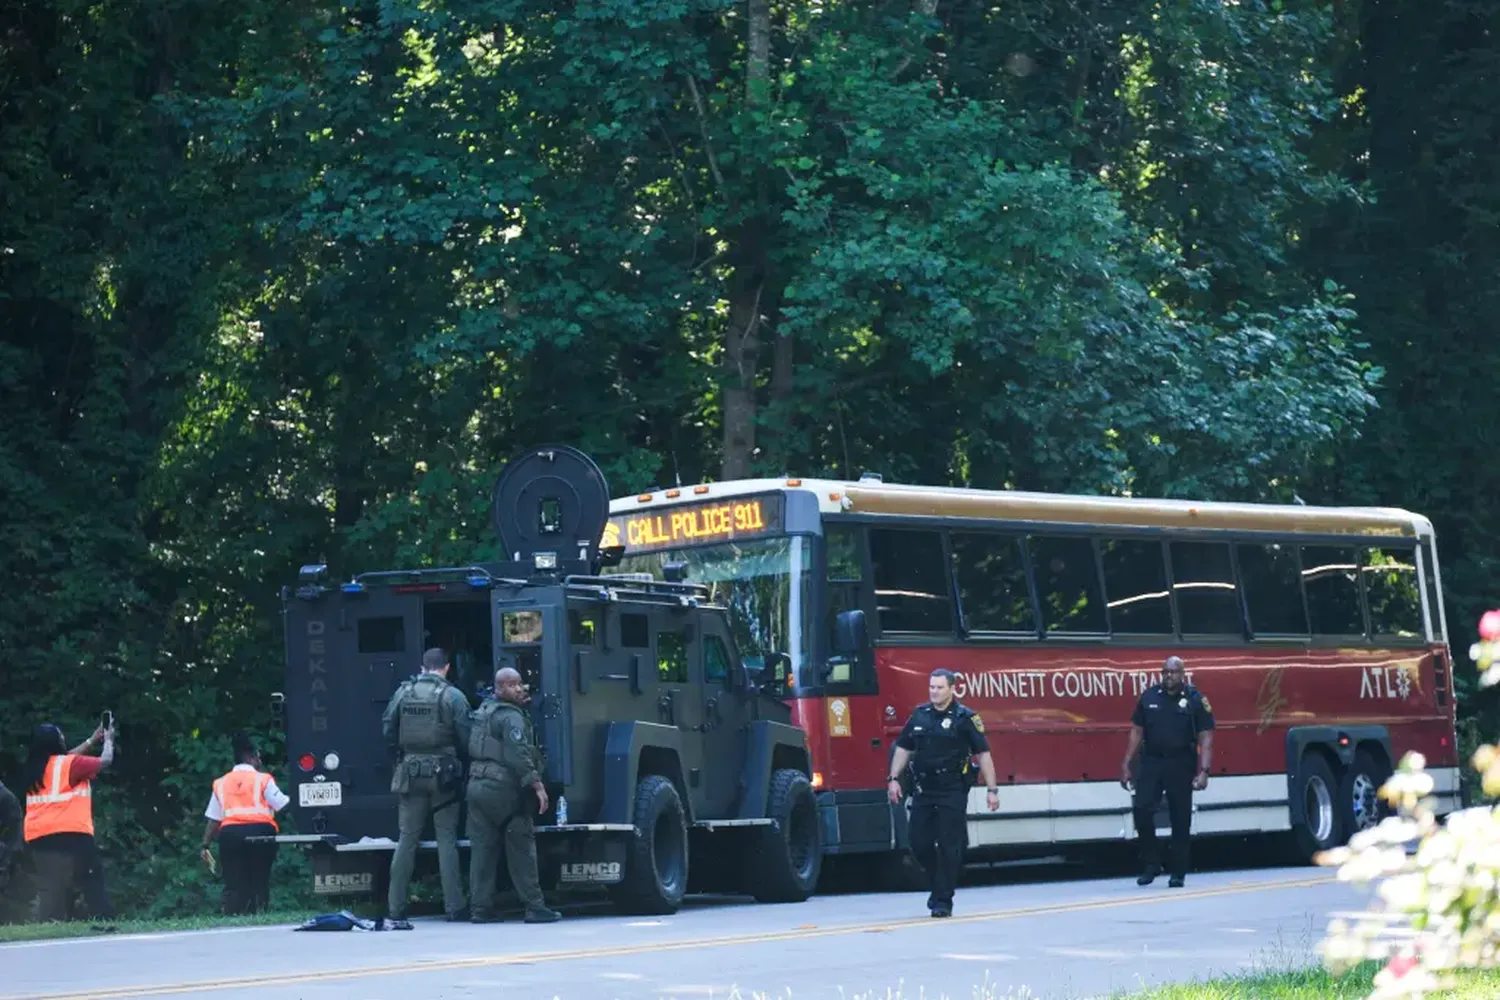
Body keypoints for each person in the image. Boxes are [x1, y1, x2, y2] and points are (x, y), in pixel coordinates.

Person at [887, 668, 1000, 917]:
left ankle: (943, 901)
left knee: (950, 845)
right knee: (918, 842)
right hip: (924, 789)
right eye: (931, 687)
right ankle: (940, 882)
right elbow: (904, 748)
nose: (934, 692)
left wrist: (992, 790)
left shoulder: (965, 718)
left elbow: (983, 754)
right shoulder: (919, 715)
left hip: (952, 790)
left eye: (939, 687)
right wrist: (893, 778)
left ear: (952, 689)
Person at [382, 647, 473, 927]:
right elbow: (467, 736)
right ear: (446, 668)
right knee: (446, 840)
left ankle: (396, 908)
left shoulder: (403, 692)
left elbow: (387, 729)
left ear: (423, 667)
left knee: (407, 839)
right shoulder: (453, 696)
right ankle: (455, 907)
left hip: (410, 772)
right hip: (443, 775)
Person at [465, 665, 561, 924]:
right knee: (521, 846)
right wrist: (537, 785)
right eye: (514, 685)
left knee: (482, 851)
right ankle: (534, 906)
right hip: (503, 790)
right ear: (501, 687)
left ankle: (480, 908)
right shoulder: (511, 717)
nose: (520, 689)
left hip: (476, 786)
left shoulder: (484, 711)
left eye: (521, 684)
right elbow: (518, 754)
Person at [1119, 655, 1216, 888]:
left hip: (1180, 762)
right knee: (1141, 809)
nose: (1168, 676)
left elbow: (1207, 736)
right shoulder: (1149, 697)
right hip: (1152, 762)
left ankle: (1178, 872)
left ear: (1183, 674)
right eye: (1165, 672)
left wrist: (1203, 771)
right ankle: (1152, 864)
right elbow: (1137, 731)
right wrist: (1126, 763)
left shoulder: (1195, 700)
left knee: (1180, 818)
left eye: (1173, 672)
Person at [23, 721, 117, 922]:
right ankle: (104, 918)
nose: (64, 738)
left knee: (52, 887)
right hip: (72, 833)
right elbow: (105, 760)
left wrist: (92, 740)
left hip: (39, 838)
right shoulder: (70, 765)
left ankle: (51, 924)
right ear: (56, 742)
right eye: (61, 736)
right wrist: (108, 740)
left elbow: (64, 760)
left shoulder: (35, 769)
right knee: (91, 878)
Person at [200, 731, 289, 914]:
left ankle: (233, 912)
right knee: (260, 876)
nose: (260, 761)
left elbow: (214, 819)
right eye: (257, 757)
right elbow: (281, 804)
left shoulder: (221, 783)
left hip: (230, 835)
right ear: (250, 757)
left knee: (233, 878)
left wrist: (205, 844)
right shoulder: (263, 779)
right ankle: (260, 909)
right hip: (261, 833)